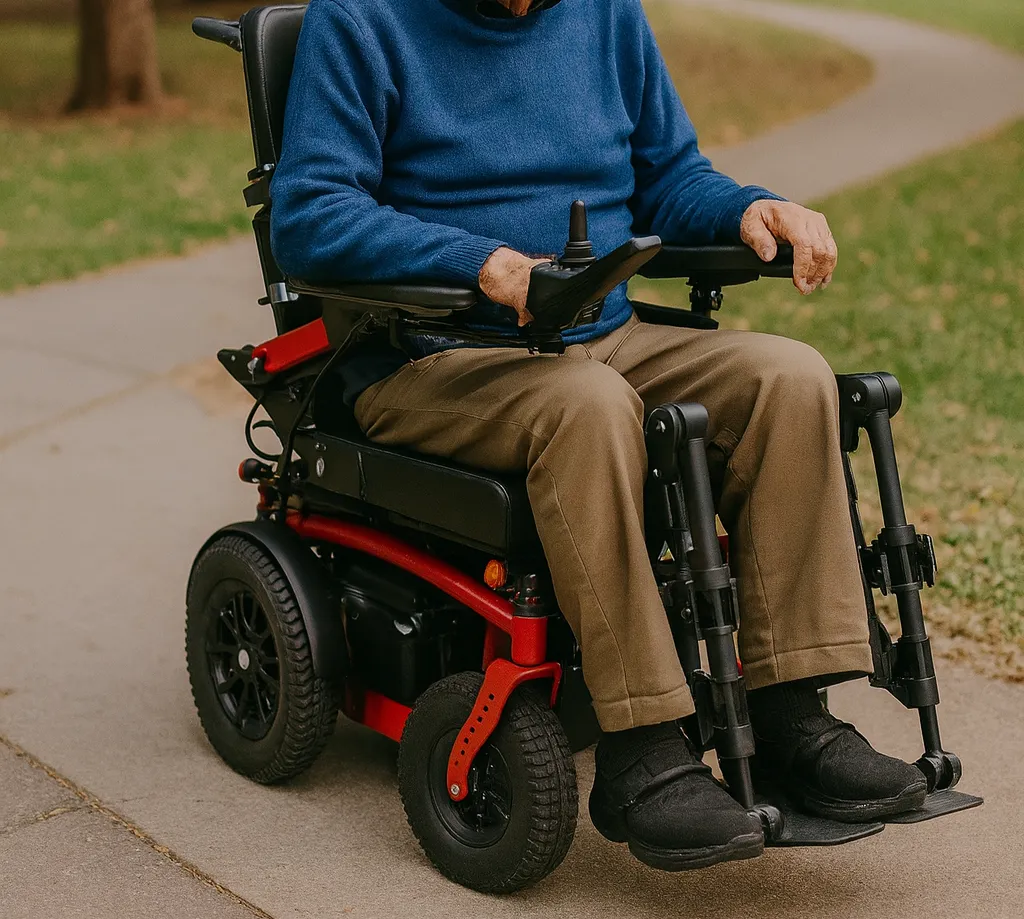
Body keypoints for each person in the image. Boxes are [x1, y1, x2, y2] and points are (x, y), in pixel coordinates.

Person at [270, 0, 928, 871]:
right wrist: (484, 263)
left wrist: (749, 209)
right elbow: (308, 213)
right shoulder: (359, 21)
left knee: (789, 377)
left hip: (601, 335)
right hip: (432, 355)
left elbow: (668, 175)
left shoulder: (605, 13)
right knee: (587, 407)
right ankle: (644, 748)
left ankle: (790, 711)